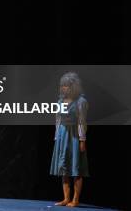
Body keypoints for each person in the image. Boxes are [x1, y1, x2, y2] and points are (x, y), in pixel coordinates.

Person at [50, 72, 89, 207]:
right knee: (64, 167)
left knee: (76, 167)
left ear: (74, 86)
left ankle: (76, 199)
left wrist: (82, 140)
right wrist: (56, 136)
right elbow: (58, 119)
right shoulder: (60, 100)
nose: (64, 88)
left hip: (74, 136)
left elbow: (82, 122)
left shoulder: (81, 102)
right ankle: (66, 198)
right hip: (62, 135)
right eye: (62, 85)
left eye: (67, 85)